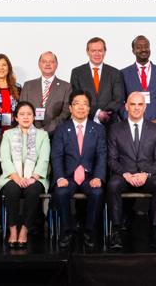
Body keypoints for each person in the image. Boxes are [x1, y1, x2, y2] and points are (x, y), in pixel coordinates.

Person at [106, 92, 156, 250]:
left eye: (140, 104)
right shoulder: (115, 129)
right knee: (112, 184)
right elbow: (111, 160)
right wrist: (126, 174)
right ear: (126, 106)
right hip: (124, 175)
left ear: (145, 107)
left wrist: (146, 174)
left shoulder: (155, 129)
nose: (136, 108)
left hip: (147, 176)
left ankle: (155, 231)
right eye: (132, 104)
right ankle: (116, 232)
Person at [52, 90, 108, 249]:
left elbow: (102, 155)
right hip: (68, 177)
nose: (81, 107)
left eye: (85, 104)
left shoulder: (98, 129)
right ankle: (67, 232)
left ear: (89, 108)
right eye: (77, 104)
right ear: (70, 107)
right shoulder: (61, 129)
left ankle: (89, 231)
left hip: (89, 176)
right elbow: (56, 156)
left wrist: (98, 177)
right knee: (60, 193)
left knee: (97, 193)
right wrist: (59, 177)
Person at [0, 101, 50, 248]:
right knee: (12, 190)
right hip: (11, 176)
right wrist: (16, 178)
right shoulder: (8, 134)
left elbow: (44, 160)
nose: (26, 117)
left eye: (29, 114)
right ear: (16, 117)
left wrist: (33, 177)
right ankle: (13, 230)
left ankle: (24, 229)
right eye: (22, 114)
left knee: (33, 191)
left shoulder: (42, 135)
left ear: (34, 117)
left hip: (35, 177)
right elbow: (5, 159)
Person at [69, 37, 125, 126]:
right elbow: (76, 99)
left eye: (100, 50)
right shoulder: (77, 72)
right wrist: (97, 113)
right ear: (87, 52)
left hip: (109, 123)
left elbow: (118, 99)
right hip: (85, 122)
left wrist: (103, 113)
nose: (97, 54)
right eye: (93, 51)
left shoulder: (115, 73)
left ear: (105, 52)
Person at [17, 51, 72, 136]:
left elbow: (66, 113)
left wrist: (46, 129)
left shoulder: (66, 87)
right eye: (44, 61)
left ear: (56, 65)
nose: (47, 64)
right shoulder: (28, 85)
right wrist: (33, 129)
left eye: (51, 61)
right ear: (39, 64)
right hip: (30, 133)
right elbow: (22, 109)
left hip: (55, 134)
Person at [121, 35, 156, 125]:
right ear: (133, 51)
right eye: (139, 47)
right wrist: (130, 119)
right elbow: (120, 101)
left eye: (146, 46)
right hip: (132, 125)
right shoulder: (124, 73)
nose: (143, 49)